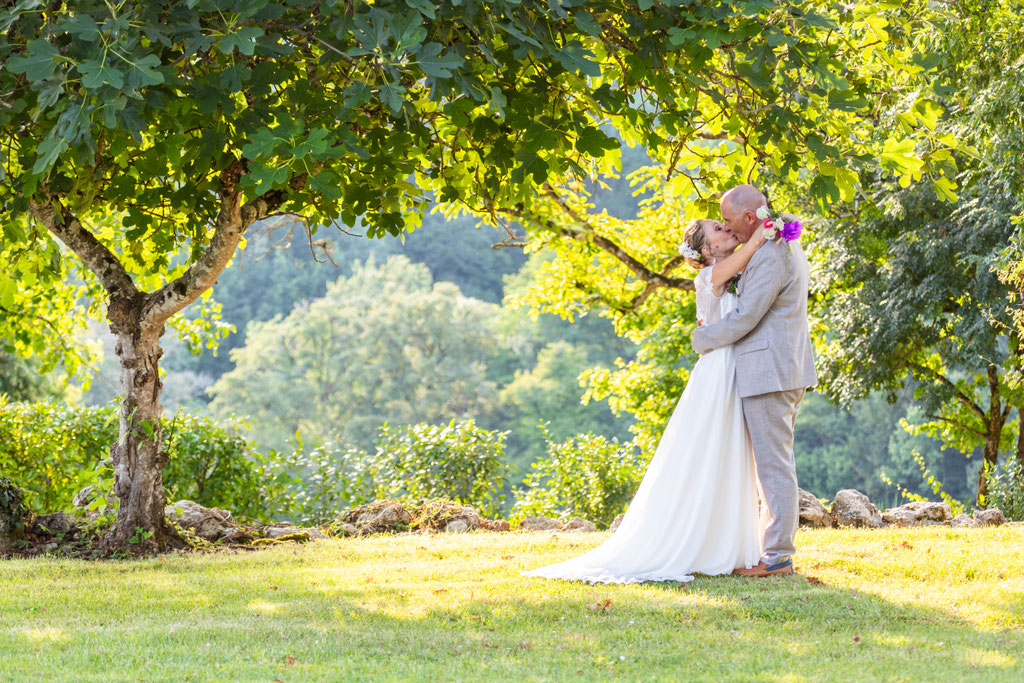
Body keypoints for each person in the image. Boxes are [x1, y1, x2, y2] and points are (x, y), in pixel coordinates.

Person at [521, 217, 768, 584]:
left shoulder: (729, 271)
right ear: (706, 250)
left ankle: (726, 545)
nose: (727, 230)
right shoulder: (709, 276)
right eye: (718, 229)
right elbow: (750, 251)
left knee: (730, 452)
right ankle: (693, 541)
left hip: (734, 366)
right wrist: (767, 231)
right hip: (718, 371)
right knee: (710, 449)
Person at [692, 184, 817, 577]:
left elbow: (747, 317)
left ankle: (777, 557)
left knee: (773, 467)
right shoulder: (776, 243)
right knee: (769, 464)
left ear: (750, 218)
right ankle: (766, 548)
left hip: (770, 372)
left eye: (728, 221)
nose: (727, 228)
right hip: (778, 368)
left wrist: (701, 339)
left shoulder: (771, 253)